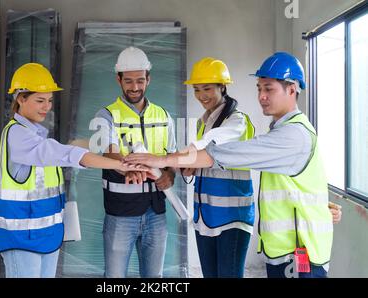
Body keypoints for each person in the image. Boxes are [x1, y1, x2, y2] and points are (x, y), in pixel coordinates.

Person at [124, 52, 343, 278]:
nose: (261, 96)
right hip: (227, 224)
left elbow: (216, 153)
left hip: (284, 243)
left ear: (292, 88)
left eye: (268, 89)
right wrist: (318, 208)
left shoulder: (281, 131)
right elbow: (296, 184)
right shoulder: (274, 129)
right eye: (259, 88)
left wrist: (161, 160)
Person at [0, 63, 145, 278]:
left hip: (45, 236)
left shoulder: (34, 134)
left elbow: (67, 149)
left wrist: (101, 144)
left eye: (50, 101)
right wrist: (121, 165)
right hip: (21, 239)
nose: (47, 107)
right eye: (40, 100)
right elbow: (65, 153)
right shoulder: (17, 135)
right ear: (20, 98)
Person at [94, 47, 177, 278]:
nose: (134, 87)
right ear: (118, 79)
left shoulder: (163, 116)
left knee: (154, 280)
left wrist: (170, 174)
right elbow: (107, 154)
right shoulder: (106, 115)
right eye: (128, 81)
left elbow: (171, 157)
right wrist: (125, 167)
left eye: (140, 80)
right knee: (115, 279)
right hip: (120, 214)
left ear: (148, 79)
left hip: (156, 212)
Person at [180, 57, 255, 277]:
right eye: (196, 89)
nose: (201, 95)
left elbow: (212, 144)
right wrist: (192, 167)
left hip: (232, 218)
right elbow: (208, 160)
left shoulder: (237, 121)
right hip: (206, 215)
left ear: (222, 87)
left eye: (207, 88)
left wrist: (182, 156)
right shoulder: (203, 123)